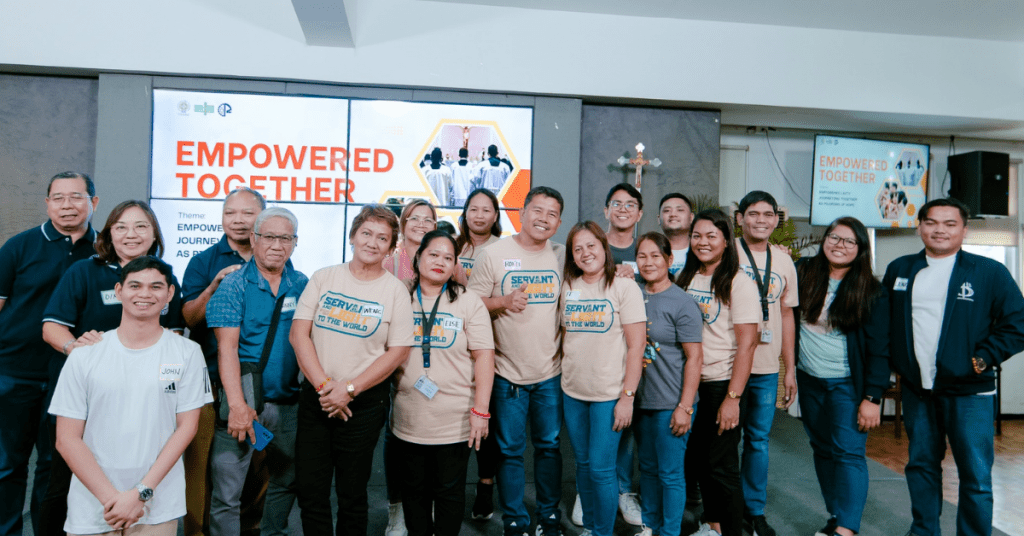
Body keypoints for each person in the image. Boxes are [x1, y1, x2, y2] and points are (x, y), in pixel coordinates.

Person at [38, 199, 186, 536]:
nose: (131, 234)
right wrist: (77, 349)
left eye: (141, 227)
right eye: (121, 227)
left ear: (154, 234)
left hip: (143, 400)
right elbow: (51, 328)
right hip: (87, 398)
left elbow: (174, 337)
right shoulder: (84, 272)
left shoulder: (164, 277)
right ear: (109, 234)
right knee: (62, 482)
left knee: (139, 472)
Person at [880, 198, 1024, 536]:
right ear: (920, 227)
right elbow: (885, 324)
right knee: (921, 467)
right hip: (918, 390)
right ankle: (924, 531)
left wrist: (984, 357)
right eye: (931, 222)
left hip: (970, 393)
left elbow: (1017, 323)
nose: (939, 230)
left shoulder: (989, 272)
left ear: (964, 230)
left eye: (949, 224)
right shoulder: (900, 269)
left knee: (975, 475)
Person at [48, 256, 212, 536]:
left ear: (170, 293)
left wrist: (140, 493)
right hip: (94, 504)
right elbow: (66, 439)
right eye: (135, 285)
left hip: (158, 504)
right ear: (119, 291)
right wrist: (113, 500)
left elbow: (187, 428)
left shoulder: (188, 353)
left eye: (156, 286)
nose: (145, 294)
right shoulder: (84, 355)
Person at [289, 204, 414, 536]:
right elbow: (299, 334)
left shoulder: (395, 291)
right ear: (352, 236)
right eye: (366, 233)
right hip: (317, 398)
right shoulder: (324, 277)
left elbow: (399, 351)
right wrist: (326, 388)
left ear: (391, 248)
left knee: (352, 494)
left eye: (382, 238)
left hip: (363, 405)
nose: (372, 242)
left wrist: (349, 389)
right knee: (311, 491)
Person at [0, 171, 98, 536]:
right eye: (58, 198)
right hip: (13, 373)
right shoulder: (19, 246)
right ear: (47, 204)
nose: (67, 205)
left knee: (55, 467)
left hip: (71, 378)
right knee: (7, 465)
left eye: (76, 197)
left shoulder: (105, 251)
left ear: (93, 202)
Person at [468, 186, 565, 536]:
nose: (543, 218)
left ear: (558, 223)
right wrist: (503, 302)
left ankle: (549, 517)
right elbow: (471, 304)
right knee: (509, 451)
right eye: (537, 210)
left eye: (552, 214)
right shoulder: (494, 254)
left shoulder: (562, 255)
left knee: (549, 448)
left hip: (550, 372)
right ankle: (514, 520)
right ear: (521, 213)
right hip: (507, 373)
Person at [207, 207, 307, 536]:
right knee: (228, 492)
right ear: (254, 239)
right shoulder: (233, 285)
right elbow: (226, 349)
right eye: (269, 237)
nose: (277, 245)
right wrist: (237, 405)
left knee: (286, 481)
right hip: (244, 405)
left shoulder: (302, 284)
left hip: (289, 405)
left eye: (286, 238)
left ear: (294, 242)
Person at [392, 230, 495, 536]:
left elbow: (485, 357)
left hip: (455, 419)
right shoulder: (399, 296)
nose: (440, 262)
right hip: (408, 417)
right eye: (433, 254)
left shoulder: (468, 301)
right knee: (414, 494)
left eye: (448, 258)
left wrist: (481, 411)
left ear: (454, 266)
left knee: (449, 493)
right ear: (418, 258)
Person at [179, 187, 268, 536]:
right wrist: (214, 286)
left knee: (257, 467)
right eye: (231, 213)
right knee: (201, 467)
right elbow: (189, 318)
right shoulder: (203, 262)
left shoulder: (276, 258)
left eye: (248, 213)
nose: (238, 220)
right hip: (210, 383)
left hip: (259, 384)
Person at [794, 217, 888, 536]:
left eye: (849, 241)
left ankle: (847, 528)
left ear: (860, 249)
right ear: (825, 239)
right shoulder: (803, 271)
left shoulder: (872, 291)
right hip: (809, 379)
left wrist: (872, 397)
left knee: (848, 453)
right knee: (822, 448)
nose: (839, 245)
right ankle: (836, 514)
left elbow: (880, 349)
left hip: (847, 385)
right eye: (834, 237)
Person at [675, 209, 759, 536]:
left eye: (712, 236)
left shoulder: (739, 283)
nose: (703, 242)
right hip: (691, 384)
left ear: (726, 241)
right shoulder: (687, 277)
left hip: (722, 384)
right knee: (699, 461)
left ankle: (733, 530)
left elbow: (748, 345)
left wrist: (733, 398)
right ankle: (714, 525)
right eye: (697, 236)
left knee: (721, 466)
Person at [560, 222, 646, 536]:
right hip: (573, 392)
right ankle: (592, 528)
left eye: (591, 246)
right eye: (578, 248)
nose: (585, 253)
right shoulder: (569, 286)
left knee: (600, 468)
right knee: (583, 465)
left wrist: (627, 397)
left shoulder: (624, 287)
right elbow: (566, 336)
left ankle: (602, 532)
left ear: (604, 247)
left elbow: (637, 346)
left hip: (609, 395)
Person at [732, 191, 798, 536]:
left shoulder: (784, 261)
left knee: (758, 441)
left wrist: (790, 369)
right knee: (724, 440)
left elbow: (786, 315)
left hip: (767, 367)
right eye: (753, 214)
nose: (761, 220)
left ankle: (754, 510)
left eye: (768, 214)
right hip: (728, 365)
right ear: (739, 218)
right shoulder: (726, 253)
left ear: (776, 219)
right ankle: (723, 509)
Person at [633, 232, 703, 536]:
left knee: (670, 473)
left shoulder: (682, 302)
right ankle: (650, 526)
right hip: (640, 400)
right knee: (647, 469)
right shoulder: (633, 294)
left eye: (655, 256)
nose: (648, 262)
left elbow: (695, 358)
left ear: (669, 259)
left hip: (671, 402)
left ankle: (670, 532)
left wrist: (685, 407)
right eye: (642, 256)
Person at [451, 188, 502, 519]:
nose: (479, 215)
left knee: (486, 419)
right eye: (473, 209)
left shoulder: (502, 249)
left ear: (495, 215)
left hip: (488, 341)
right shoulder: (451, 246)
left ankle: (485, 487)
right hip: (451, 344)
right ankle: (450, 490)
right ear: (465, 213)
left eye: (486, 210)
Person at [385, 199, 438, 281]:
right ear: (403, 223)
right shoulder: (387, 264)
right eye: (414, 218)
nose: (421, 224)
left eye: (428, 220)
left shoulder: (445, 263)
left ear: (434, 227)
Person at [658, 193, 695, 276]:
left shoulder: (701, 250)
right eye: (667, 211)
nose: (673, 214)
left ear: (691, 217)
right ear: (659, 219)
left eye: (680, 210)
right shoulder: (649, 250)